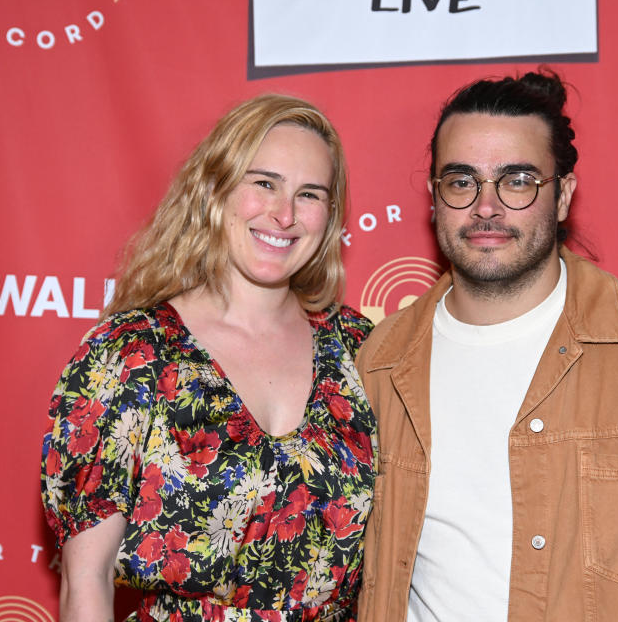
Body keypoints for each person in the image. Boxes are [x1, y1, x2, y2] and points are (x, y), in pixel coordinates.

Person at [354, 70, 618, 621]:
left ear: (563, 197)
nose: (486, 207)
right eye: (462, 181)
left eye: (518, 181)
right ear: (434, 198)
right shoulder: (380, 362)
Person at [40, 94, 377, 622]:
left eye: (309, 194)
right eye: (264, 183)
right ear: (215, 188)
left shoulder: (360, 349)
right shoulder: (133, 353)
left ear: (329, 216)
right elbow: (88, 579)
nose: (284, 214)